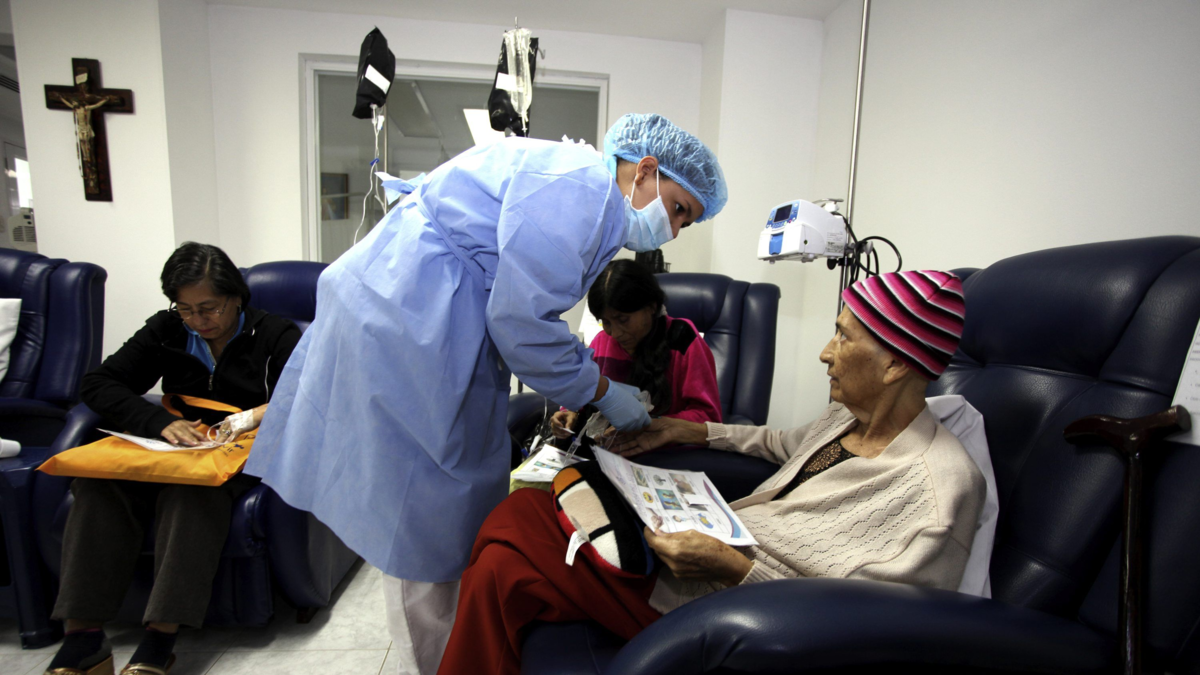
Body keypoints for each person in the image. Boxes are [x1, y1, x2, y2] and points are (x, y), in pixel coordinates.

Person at [244, 113, 728, 675]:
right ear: (645, 170)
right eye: (679, 209)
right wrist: (602, 389)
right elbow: (524, 324)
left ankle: (455, 641)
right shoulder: (583, 190)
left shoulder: (587, 195)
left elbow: (521, 309)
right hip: (409, 318)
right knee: (423, 507)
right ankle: (436, 660)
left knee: (449, 495)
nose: (674, 229)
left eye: (686, 221)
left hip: (426, 314)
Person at [436, 270, 986, 675]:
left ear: (895, 364)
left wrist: (732, 568)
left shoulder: (940, 489)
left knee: (513, 533)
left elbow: (875, 631)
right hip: (704, 552)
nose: (825, 353)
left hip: (733, 609)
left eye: (843, 337)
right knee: (508, 552)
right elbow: (776, 442)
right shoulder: (847, 418)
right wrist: (686, 432)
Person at [44, 243, 300, 675]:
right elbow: (98, 383)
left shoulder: (274, 334)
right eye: (186, 309)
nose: (198, 321)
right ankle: (83, 638)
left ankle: (160, 638)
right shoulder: (166, 330)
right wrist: (158, 422)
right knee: (97, 485)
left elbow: (303, 397)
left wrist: (248, 419)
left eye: (209, 308)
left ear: (236, 297)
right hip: (169, 447)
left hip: (235, 453)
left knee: (190, 495)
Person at [550, 258, 722, 443]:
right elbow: (585, 391)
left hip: (663, 452)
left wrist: (650, 426)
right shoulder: (601, 341)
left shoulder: (682, 340)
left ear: (651, 307)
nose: (615, 333)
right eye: (605, 322)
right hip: (605, 450)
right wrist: (570, 412)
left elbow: (708, 418)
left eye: (623, 320)